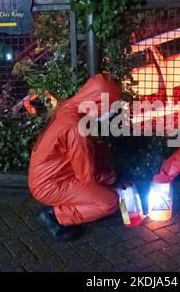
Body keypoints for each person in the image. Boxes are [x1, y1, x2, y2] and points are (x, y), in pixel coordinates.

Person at [29, 73, 122, 241]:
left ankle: (65, 207)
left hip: (53, 176)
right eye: (110, 108)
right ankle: (55, 216)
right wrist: (108, 176)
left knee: (105, 185)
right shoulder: (76, 127)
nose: (110, 113)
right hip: (51, 184)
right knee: (110, 202)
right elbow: (86, 175)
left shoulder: (68, 108)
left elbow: (87, 157)